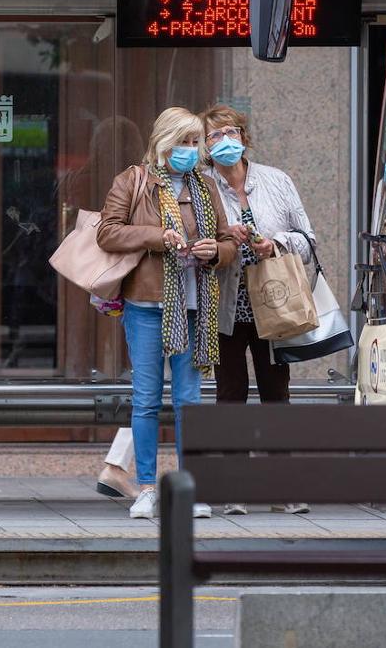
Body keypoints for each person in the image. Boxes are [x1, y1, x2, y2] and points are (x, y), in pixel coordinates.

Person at [96, 107, 237, 519]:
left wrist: (216, 252)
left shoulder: (206, 186)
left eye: (195, 143)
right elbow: (108, 230)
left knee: (189, 401)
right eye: (184, 143)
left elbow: (228, 242)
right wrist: (158, 237)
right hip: (146, 306)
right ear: (163, 142)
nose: (191, 151)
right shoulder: (134, 180)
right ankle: (145, 488)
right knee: (146, 400)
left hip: (195, 307)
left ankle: (188, 487)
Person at [201, 103, 315, 517]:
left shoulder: (276, 180)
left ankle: (283, 486)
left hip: (274, 304)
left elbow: (308, 239)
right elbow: (196, 240)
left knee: (275, 394)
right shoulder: (202, 184)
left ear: (244, 137)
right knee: (230, 395)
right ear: (204, 146)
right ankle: (233, 488)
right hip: (227, 305)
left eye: (229, 132)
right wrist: (223, 237)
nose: (223, 141)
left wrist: (275, 242)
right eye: (213, 136)